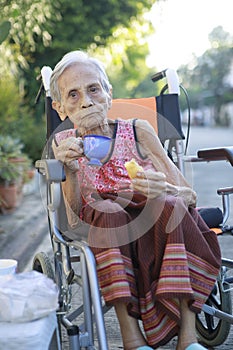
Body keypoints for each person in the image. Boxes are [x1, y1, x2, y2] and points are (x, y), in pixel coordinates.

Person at [50, 50, 221, 350]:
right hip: (105, 222)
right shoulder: (64, 144)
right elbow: (75, 216)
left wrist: (164, 187)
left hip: (152, 218)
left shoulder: (139, 130)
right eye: (73, 95)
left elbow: (189, 195)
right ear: (60, 107)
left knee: (171, 206)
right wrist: (69, 169)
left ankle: (188, 337)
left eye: (93, 89)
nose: (87, 101)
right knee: (107, 208)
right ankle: (131, 338)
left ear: (108, 93)